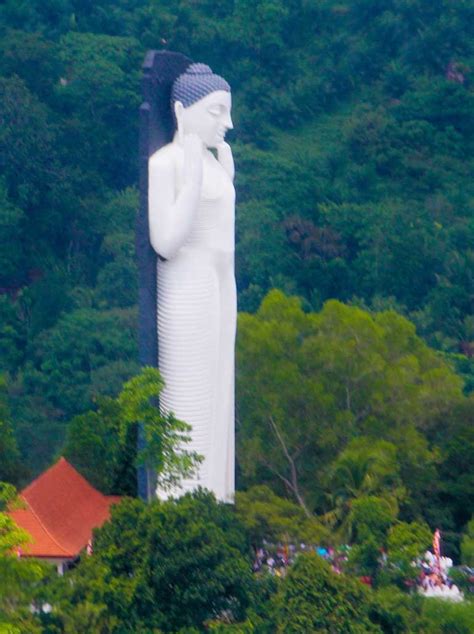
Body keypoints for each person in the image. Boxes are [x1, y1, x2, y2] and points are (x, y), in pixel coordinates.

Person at [148, 63, 236, 502]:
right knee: (189, 403)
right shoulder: (166, 164)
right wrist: (196, 177)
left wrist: (221, 177)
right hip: (188, 291)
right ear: (183, 110)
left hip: (222, 287)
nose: (228, 124)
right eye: (217, 112)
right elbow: (165, 241)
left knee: (220, 397)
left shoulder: (214, 163)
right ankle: (181, 500)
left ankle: (216, 499)